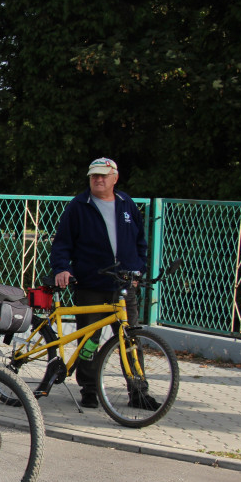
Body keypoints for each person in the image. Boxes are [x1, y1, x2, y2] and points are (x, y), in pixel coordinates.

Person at [51, 157, 154, 409]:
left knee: (131, 338)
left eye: (103, 176)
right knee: (90, 339)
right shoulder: (78, 205)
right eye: (94, 176)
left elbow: (140, 240)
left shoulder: (126, 203)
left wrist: (140, 268)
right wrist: (62, 268)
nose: (98, 179)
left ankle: (138, 390)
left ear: (115, 178)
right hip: (91, 282)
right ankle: (89, 388)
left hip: (123, 283)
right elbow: (62, 242)